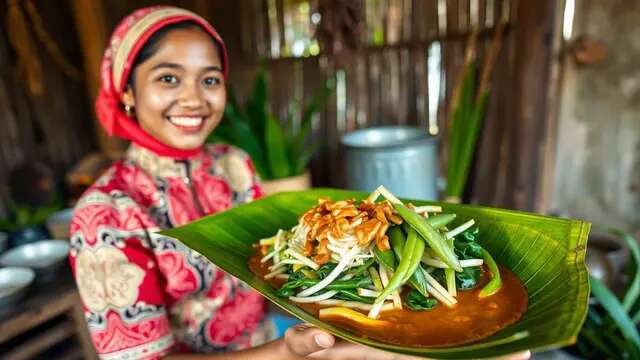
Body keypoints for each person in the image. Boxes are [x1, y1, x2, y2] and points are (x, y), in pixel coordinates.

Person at [69, 6, 530, 360]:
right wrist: (289, 352)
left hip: (276, 339)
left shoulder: (233, 165)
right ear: (126, 90)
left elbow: (276, 276)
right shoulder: (106, 214)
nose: (193, 98)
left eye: (209, 79)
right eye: (168, 78)